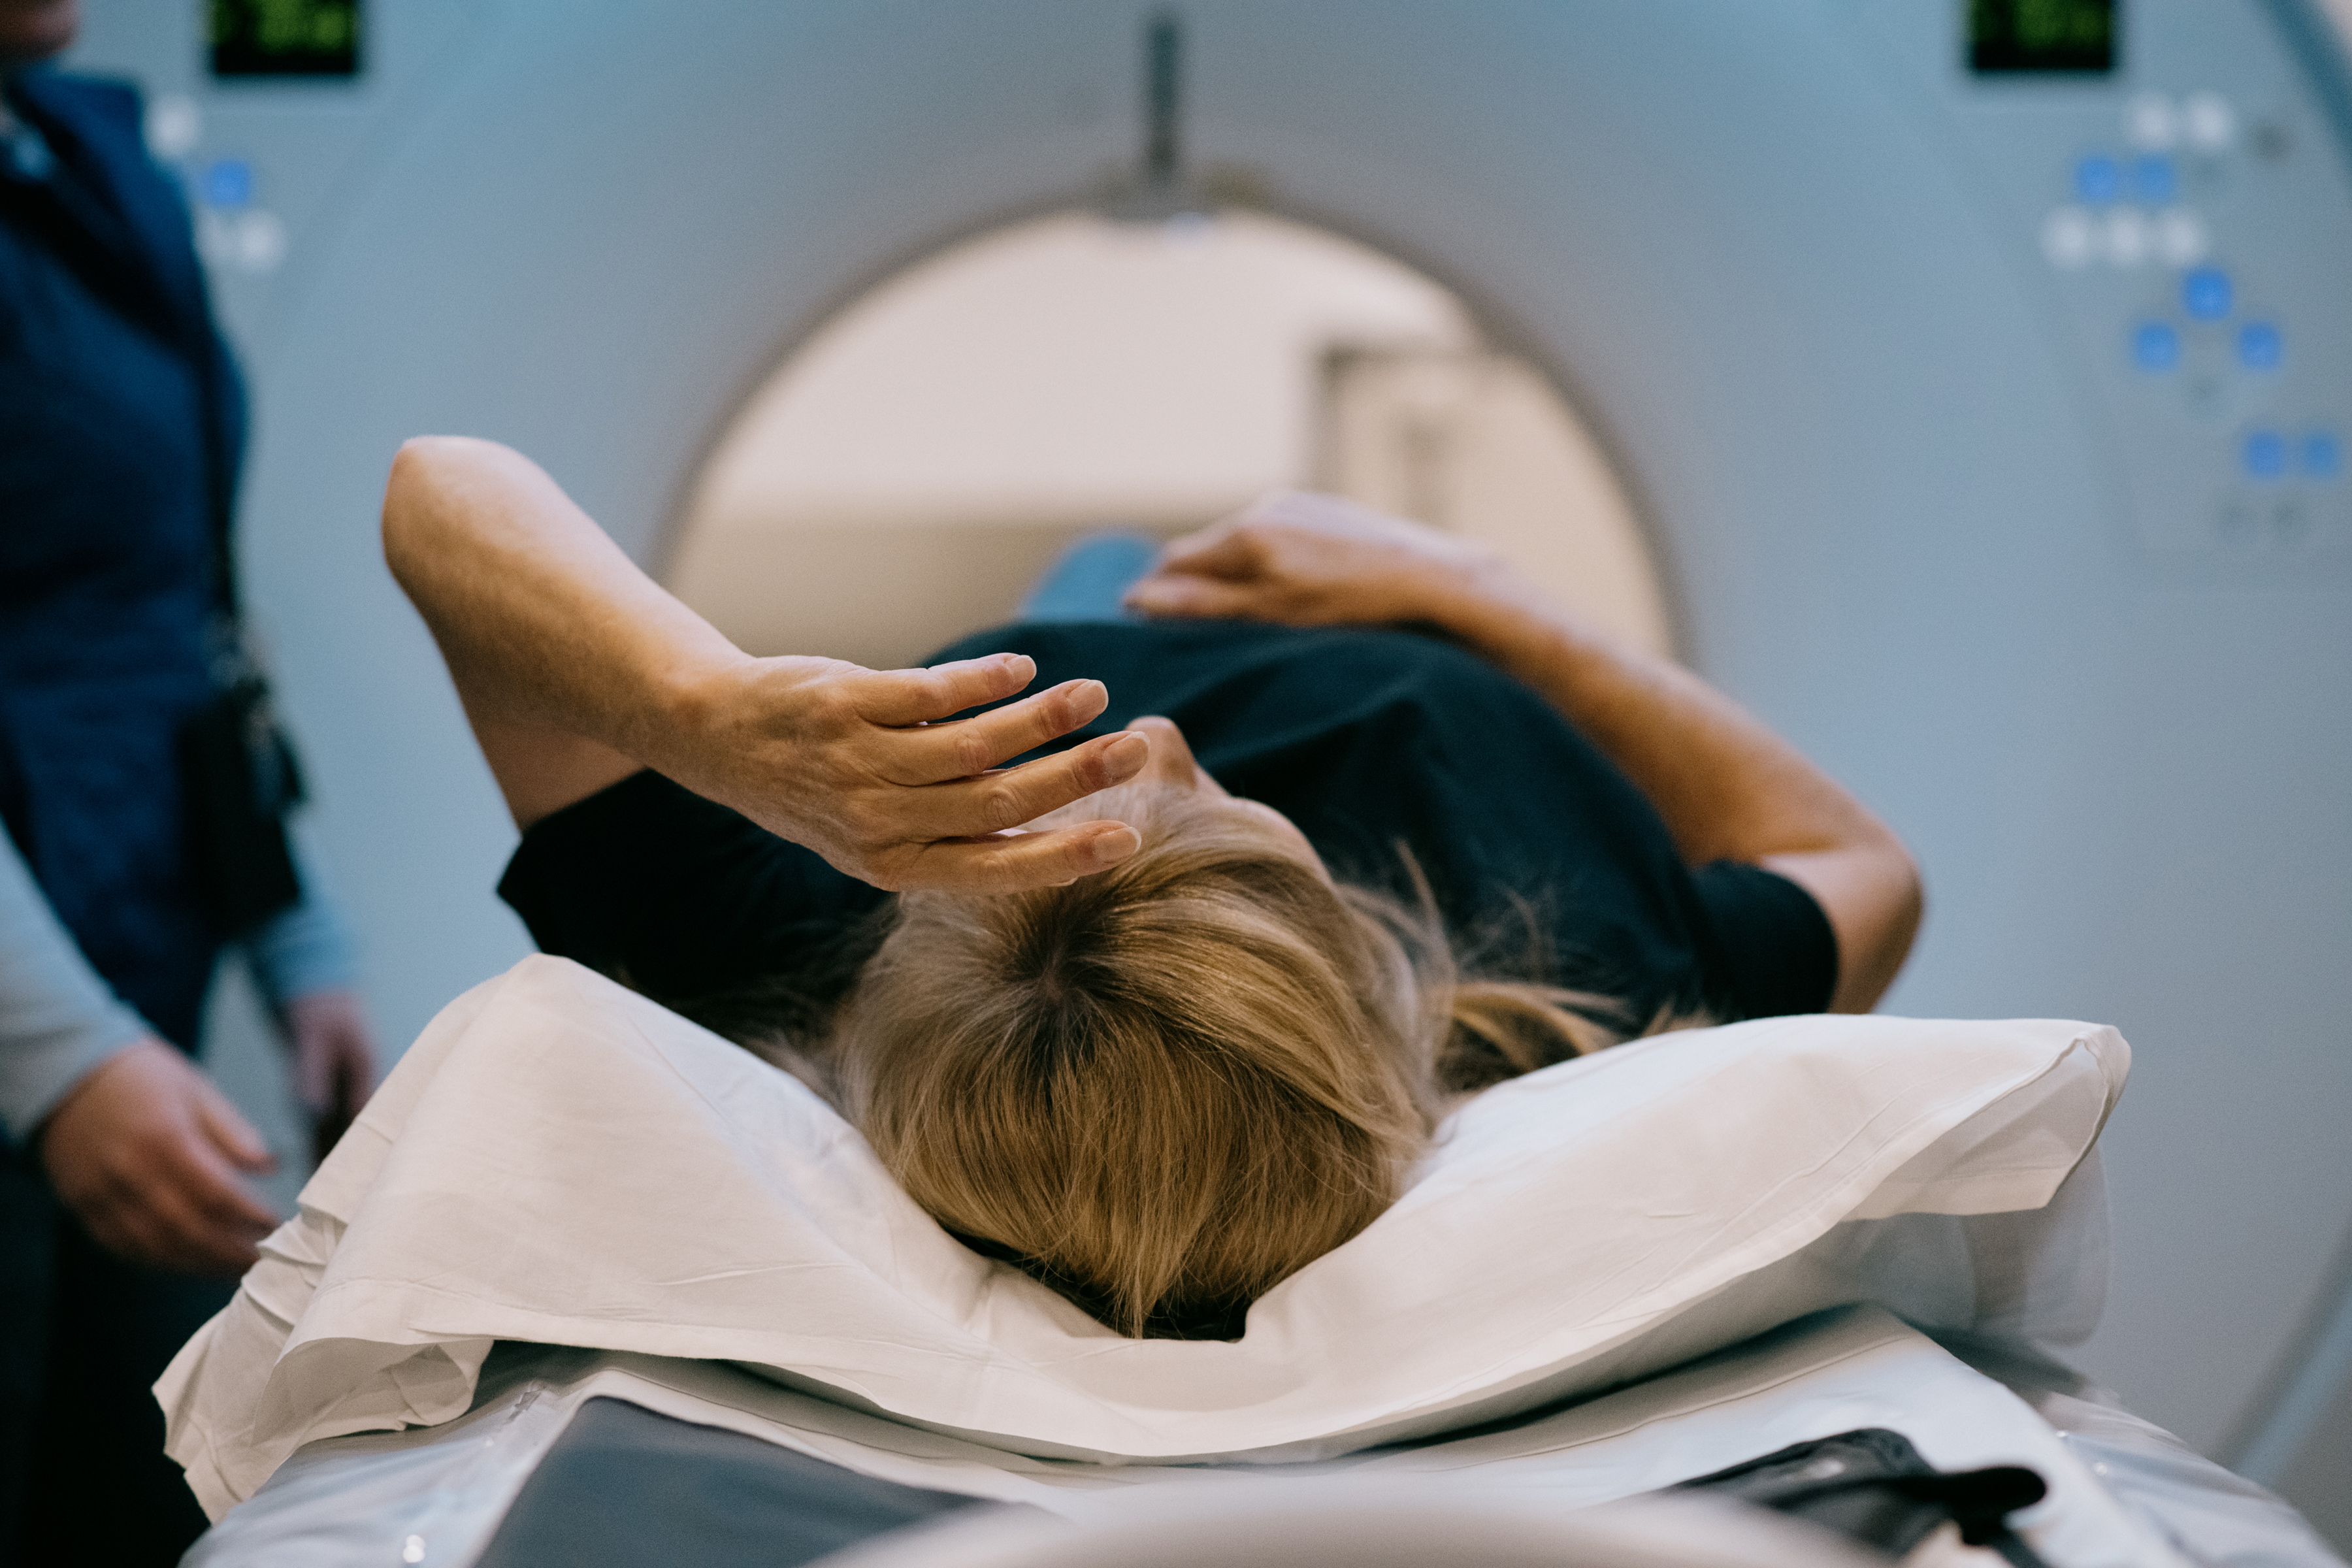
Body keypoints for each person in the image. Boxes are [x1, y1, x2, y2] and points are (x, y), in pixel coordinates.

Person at [384, 437, 1920, 1341]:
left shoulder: (777, 938)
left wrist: (709, 713)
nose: (1159, 738)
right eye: (1217, 822)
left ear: (898, 960)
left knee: (1097, 571)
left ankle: (1100, 580)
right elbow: (1869, 868)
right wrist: (1479, 594)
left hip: (1025, 641)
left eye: (1044, 843)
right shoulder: (1593, 969)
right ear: (1352, 967)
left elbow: (438, 491)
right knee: (1159, 554)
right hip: (1395, 627)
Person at [1, 2, 379, 1558]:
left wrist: (298, 936)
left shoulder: (91, 150)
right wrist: (58, 1055)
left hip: (122, 930)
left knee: (132, 1478)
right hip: (45, 1009)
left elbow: (192, 605)